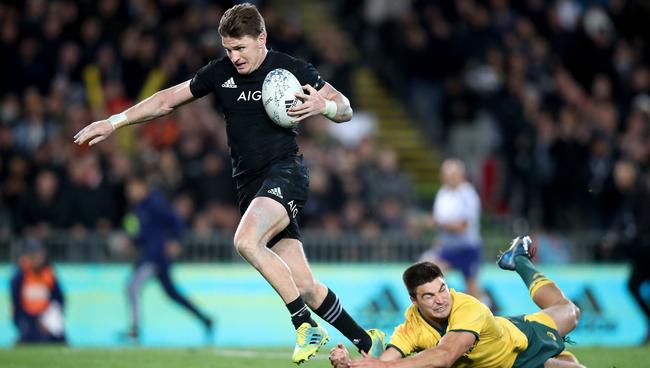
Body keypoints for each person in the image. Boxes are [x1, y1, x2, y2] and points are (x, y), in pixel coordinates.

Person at [73, 3, 384, 363]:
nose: (234, 57)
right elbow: (166, 101)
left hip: (285, 172)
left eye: (240, 48)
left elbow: (344, 107)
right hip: (250, 187)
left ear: (261, 38)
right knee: (305, 286)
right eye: (228, 49)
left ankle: (304, 325)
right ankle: (367, 341)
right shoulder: (220, 73)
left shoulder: (291, 68)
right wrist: (114, 122)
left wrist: (324, 107)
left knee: (246, 240)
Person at [330, 236, 585, 368]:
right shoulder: (410, 325)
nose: (441, 300)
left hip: (521, 343)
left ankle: (518, 260)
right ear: (413, 300)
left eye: (442, 289)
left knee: (570, 311)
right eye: (429, 296)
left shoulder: (467, 305)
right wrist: (349, 364)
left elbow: (445, 356)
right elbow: (384, 362)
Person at [122, 174, 213, 340]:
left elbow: (176, 220)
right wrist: (131, 240)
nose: (129, 192)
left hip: (156, 256)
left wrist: (175, 241)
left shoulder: (155, 202)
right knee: (172, 294)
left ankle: (135, 329)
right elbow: (144, 234)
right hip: (151, 255)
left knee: (132, 286)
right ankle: (205, 319)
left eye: (132, 187)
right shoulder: (138, 207)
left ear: (141, 186)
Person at [420, 159, 485, 300]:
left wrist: (439, 223)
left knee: (472, 286)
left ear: (461, 175)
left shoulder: (468, 194)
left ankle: (483, 316)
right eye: (446, 175)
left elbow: (463, 226)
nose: (449, 178)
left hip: (467, 247)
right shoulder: (443, 193)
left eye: (453, 175)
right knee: (432, 277)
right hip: (449, 247)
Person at [10, 239, 66, 344]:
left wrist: (49, 320)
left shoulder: (49, 274)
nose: (37, 259)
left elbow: (59, 300)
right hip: (27, 317)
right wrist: (21, 322)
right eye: (34, 256)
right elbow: (16, 303)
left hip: (46, 317)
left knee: (59, 338)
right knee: (28, 338)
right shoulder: (19, 276)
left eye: (39, 255)